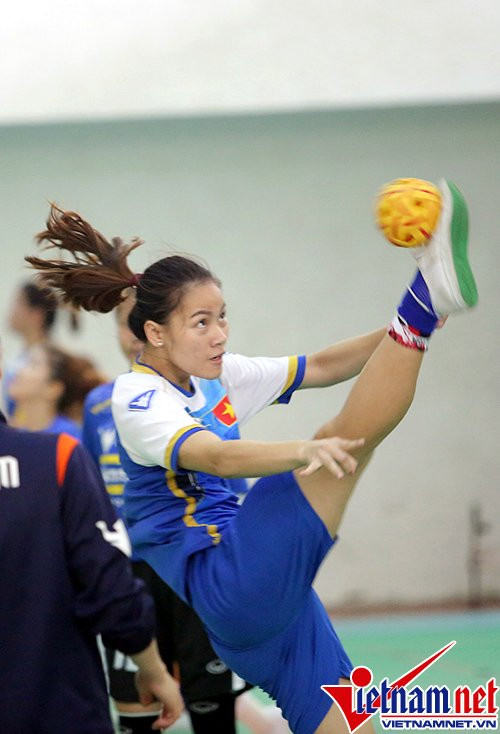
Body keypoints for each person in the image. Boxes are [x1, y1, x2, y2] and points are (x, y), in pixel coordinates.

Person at [26, 179, 478, 734]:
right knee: (345, 445)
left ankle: (424, 306)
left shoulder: (216, 375)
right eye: (201, 322)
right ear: (156, 334)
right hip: (226, 578)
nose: (220, 334)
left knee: (348, 719)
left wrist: (397, 330)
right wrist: (302, 450)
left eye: (222, 316)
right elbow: (215, 457)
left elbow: (322, 366)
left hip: (261, 612)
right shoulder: (136, 396)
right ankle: (426, 292)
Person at [82, 294, 289, 734]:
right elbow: (92, 487)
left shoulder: (205, 393)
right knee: (136, 706)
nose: (134, 334)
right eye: (124, 323)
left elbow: (227, 474)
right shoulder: (100, 403)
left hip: (192, 562)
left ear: (160, 330)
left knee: (211, 700)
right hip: (131, 571)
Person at [0, 340, 183, 734]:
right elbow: (107, 582)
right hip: (57, 706)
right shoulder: (55, 457)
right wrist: (151, 666)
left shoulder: (65, 445)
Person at [8, 342, 106, 439]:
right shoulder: (10, 430)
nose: (19, 371)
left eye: (33, 365)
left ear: (53, 388)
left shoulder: (67, 438)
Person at [2, 279, 58, 416]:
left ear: (37, 314)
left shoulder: (48, 361)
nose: (12, 310)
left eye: (19, 303)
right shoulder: (18, 356)